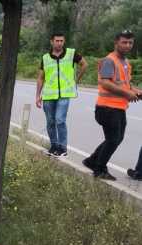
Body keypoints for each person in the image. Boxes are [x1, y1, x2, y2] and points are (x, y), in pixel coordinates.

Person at [82, 30, 142, 180]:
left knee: (117, 138)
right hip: (107, 108)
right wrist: (127, 94)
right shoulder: (109, 60)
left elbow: (126, 85)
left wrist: (136, 91)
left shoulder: (126, 63)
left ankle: (92, 160)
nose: (127, 45)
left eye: (130, 43)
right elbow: (104, 82)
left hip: (119, 108)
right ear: (116, 43)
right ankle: (99, 169)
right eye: (124, 42)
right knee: (113, 139)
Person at [36, 33, 88, 157]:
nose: (59, 43)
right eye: (57, 41)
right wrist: (37, 96)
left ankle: (62, 147)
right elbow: (40, 78)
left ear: (64, 42)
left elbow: (84, 65)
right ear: (51, 41)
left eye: (61, 41)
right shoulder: (45, 58)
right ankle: (54, 145)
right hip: (48, 95)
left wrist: (76, 80)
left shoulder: (71, 53)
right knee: (50, 122)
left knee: (60, 120)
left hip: (65, 93)